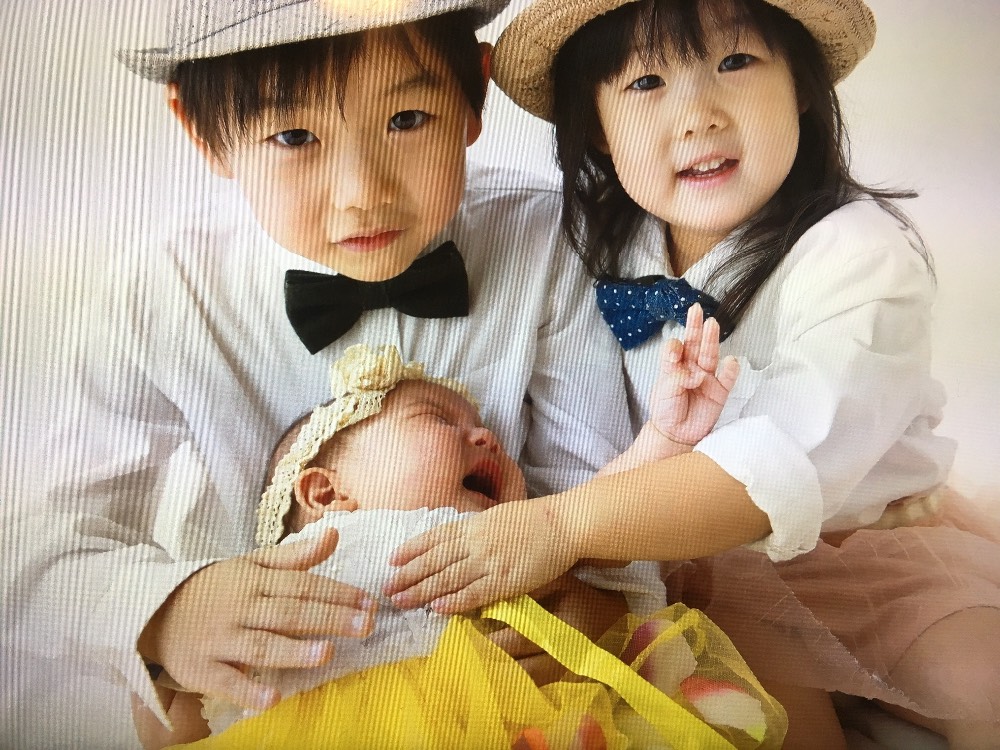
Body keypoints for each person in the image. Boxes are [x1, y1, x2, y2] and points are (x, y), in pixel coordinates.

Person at [0, 1, 635, 746]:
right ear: (203, 133)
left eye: (407, 119)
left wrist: (593, 607)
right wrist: (163, 613)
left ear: (474, 98)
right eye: (294, 136)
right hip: (273, 698)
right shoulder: (163, 293)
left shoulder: (550, 241)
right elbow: (36, 541)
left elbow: (606, 497)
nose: (363, 192)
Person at [384, 0, 1000, 747]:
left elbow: (778, 469)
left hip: (868, 553)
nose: (699, 115)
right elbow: (578, 441)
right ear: (597, 128)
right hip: (685, 565)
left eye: (735, 62)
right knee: (756, 717)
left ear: (802, 85)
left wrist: (559, 526)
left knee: (982, 682)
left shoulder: (859, 255)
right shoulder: (598, 245)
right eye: (646, 83)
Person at [132, 344, 783, 749]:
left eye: (482, 425)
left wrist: (664, 440)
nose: (485, 437)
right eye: (438, 419)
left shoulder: (512, 538)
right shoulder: (301, 565)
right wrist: (162, 649)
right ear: (327, 492)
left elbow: (599, 526)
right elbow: (189, 706)